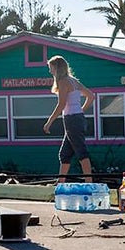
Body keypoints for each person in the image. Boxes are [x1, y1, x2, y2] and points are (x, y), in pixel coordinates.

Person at [43, 55, 95, 183]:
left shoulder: (63, 81)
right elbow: (91, 96)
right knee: (64, 153)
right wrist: (81, 110)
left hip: (72, 120)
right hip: (77, 118)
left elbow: (61, 104)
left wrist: (49, 122)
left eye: (51, 68)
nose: (50, 71)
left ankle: (89, 182)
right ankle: (60, 182)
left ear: (57, 67)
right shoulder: (73, 81)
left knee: (81, 150)